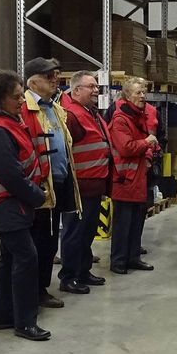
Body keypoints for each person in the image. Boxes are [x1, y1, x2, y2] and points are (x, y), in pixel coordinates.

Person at [0, 70, 51, 341]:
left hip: (13, 204)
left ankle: (4, 315)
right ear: (0, 99)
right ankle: (25, 321)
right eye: (16, 96)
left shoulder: (8, 123)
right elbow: (9, 175)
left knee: (9, 258)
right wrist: (36, 195)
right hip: (8, 204)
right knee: (26, 257)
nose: (21, 101)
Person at [21, 57, 82, 308]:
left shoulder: (54, 108)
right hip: (38, 187)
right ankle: (33, 291)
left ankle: (41, 288)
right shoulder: (25, 109)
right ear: (33, 82)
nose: (55, 80)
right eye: (49, 77)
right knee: (37, 242)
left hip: (58, 183)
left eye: (56, 75)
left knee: (48, 241)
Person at [59, 70, 112, 291]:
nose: (96, 90)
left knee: (87, 231)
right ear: (77, 90)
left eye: (96, 86)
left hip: (94, 184)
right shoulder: (71, 115)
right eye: (91, 86)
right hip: (79, 186)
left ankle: (82, 271)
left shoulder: (90, 112)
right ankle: (68, 277)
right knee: (75, 233)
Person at [109, 77, 157, 274]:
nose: (143, 96)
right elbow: (126, 147)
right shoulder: (120, 119)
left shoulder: (140, 116)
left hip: (139, 176)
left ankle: (133, 257)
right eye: (138, 93)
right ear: (127, 96)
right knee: (123, 223)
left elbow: (151, 142)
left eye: (144, 92)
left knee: (137, 221)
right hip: (125, 178)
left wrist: (147, 156)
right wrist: (146, 142)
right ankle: (119, 261)